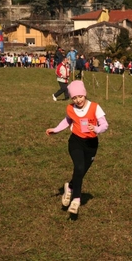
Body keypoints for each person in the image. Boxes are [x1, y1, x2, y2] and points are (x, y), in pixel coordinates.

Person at [46, 80, 109, 214]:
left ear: (84, 94)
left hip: (91, 145)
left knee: (81, 172)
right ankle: (76, 200)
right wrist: (56, 130)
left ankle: (70, 187)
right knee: (78, 167)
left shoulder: (95, 107)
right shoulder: (70, 108)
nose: (78, 100)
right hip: (76, 142)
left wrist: (97, 129)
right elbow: (68, 120)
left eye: (80, 96)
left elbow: (105, 125)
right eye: (74, 98)